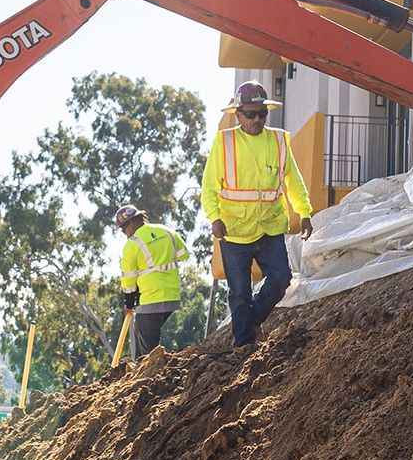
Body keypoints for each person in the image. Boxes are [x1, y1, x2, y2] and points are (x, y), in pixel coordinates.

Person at [201, 81, 313, 349]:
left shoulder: (278, 140)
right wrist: (214, 218)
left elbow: (293, 180)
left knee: (281, 278)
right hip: (234, 231)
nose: (257, 119)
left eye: (262, 113)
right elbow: (209, 187)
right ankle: (244, 346)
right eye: (250, 114)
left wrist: (304, 211)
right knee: (239, 293)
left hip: (270, 228)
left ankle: (251, 320)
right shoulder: (224, 142)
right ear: (238, 114)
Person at [114, 204, 190, 357]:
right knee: (139, 334)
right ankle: (140, 372)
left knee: (148, 353)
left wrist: (129, 304)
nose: (125, 233)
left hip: (150, 299)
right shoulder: (168, 231)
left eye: (124, 229)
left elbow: (128, 282)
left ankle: (148, 376)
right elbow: (183, 254)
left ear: (132, 223)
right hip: (172, 295)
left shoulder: (132, 245)